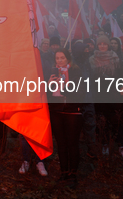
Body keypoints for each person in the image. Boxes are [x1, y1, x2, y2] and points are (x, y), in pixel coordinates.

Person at [48, 48, 84, 188]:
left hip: (72, 111)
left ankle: (73, 175)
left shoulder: (76, 71)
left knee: (72, 143)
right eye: (57, 58)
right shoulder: (52, 72)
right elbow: (46, 94)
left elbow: (80, 93)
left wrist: (63, 88)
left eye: (62, 57)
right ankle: (64, 172)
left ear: (68, 59)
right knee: (61, 144)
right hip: (56, 111)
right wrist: (49, 85)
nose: (59, 60)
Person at [89, 35, 123, 159]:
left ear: (108, 46)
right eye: (100, 44)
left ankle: (121, 145)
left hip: (114, 93)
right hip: (99, 93)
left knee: (116, 120)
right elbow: (89, 77)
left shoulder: (116, 58)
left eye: (104, 44)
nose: (102, 46)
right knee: (102, 120)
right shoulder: (91, 59)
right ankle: (105, 144)